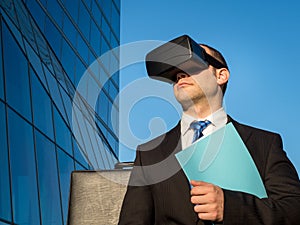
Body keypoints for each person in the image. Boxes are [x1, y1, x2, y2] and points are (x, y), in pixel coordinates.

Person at [118, 39, 300, 225]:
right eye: (174, 74)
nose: (179, 74)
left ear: (221, 75)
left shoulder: (265, 143)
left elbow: (293, 209)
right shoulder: (150, 154)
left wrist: (230, 207)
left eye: (192, 64)